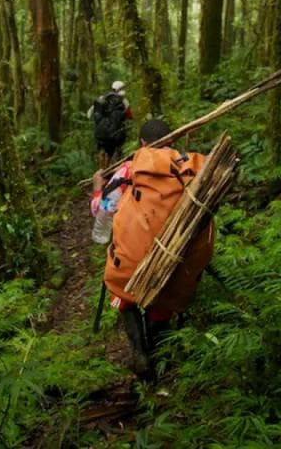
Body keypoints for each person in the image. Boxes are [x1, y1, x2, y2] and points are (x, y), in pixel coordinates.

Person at [90, 118, 215, 377]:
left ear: (142, 143)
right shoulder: (194, 170)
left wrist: (97, 190)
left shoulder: (130, 168)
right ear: (174, 140)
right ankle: (159, 355)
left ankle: (139, 352)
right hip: (177, 257)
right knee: (164, 299)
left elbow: (102, 210)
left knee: (123, 295)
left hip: (134, 258)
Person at [87, 81, 134, 168]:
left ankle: (102, 171)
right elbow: (130, 116)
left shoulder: (101, 99)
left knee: (102, 154)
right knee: (115, 155)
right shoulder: (124, 101)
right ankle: (113, 171)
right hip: (115, 136)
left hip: (101, 135)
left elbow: (89, 114)